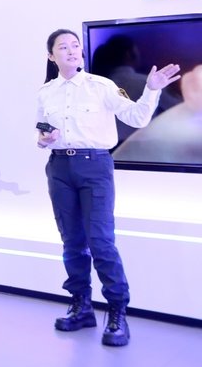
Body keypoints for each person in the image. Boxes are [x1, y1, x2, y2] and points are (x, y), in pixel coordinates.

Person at [37, 28, 180, 347]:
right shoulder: (46, 92)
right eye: (63, 47)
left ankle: (117, 312)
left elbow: (138, 118)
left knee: (100, 241)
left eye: (75, 45)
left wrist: (151, 89)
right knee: (72, 241)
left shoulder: (101, 86)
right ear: (51, 56)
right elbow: (41, 128)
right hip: (59, 168)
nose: (72, 50)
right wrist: (44, 138)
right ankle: (81, 306)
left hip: (95, 167)